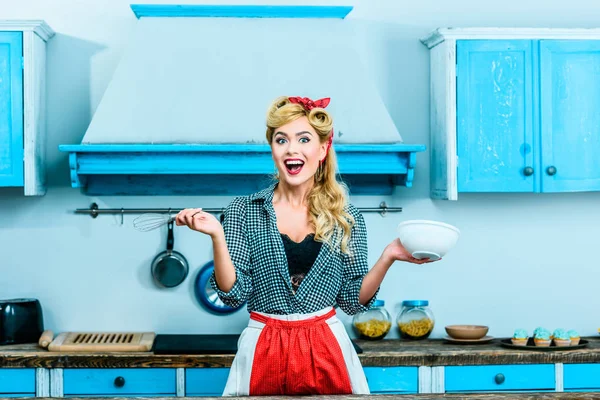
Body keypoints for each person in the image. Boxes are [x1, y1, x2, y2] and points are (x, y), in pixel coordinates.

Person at [175, 95, 436, 396]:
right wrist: (217, 236)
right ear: (272, 149)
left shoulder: (346, 218)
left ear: (323, 148)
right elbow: (234, 295)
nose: (292, 149)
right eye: (281, 140)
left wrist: (388, 256)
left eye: (303, 139)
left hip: (327, 345)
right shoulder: (243, 210)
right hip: (263, 345)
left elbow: (352, 301)